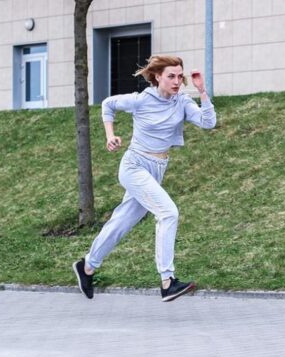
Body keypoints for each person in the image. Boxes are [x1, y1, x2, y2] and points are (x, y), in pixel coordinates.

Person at [73, 55, 217, 302]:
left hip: (157, 168)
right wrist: (110, 135)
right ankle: (167, 280)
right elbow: (108, 104)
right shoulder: (141, 100)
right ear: (158, 76)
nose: (176, 81)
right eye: (170, 76)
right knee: (168, 213)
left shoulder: (181, 101)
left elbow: (208, 122)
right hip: (134, 166)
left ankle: (87, 266)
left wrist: (202, 91)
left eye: (179, 76)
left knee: (121, 223)